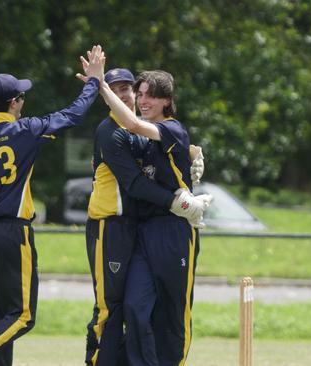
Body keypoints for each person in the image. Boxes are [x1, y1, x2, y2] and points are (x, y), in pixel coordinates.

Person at [0, 46, 106, 366]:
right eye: (22, 97)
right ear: (14, 103)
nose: (23, 102)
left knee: (2, 320)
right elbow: (73, 114)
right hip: (13, 234)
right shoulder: (26, 129)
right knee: (22, 317)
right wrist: (94, 82)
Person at [75, 65, 210, 366]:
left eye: (149, 95)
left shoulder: (167, 128)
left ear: (167, 100)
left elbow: (148, 130)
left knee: (173, 312)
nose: (140, 99)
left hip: (175, 231)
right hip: (144, 231)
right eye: (140, 93)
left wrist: (192, 152)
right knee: (135, 308)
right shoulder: (126, 132)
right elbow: (135, 136)